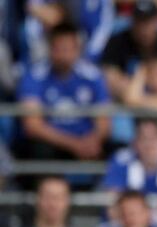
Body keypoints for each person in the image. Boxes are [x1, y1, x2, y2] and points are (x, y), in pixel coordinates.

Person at [17, 22, 110, 161]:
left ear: (77, 49)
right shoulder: (34, 76)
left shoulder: (93, 75)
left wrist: (92, 141)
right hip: (52, 143)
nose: (64, 55)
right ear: (50, 48)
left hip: (87, 142)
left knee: (114, 151)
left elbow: (104, 122)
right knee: (39, 151)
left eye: (68, 49)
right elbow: (32, 125)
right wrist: (74, 144)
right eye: (59, 49)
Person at [100, 1, 157, 101]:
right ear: (132, 22)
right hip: (125, 108)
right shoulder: (117, 42)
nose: (144, 29)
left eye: (149, 22)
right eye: (140, 22)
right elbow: (110, 79)